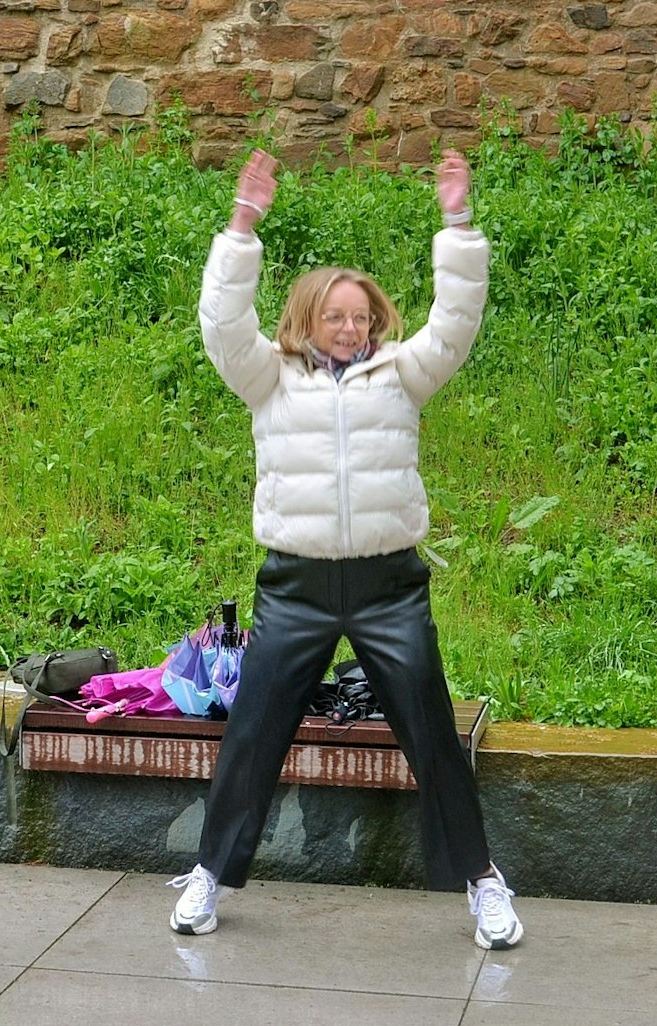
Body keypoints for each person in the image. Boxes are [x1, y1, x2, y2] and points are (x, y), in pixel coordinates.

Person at [169, 149, 524, 949]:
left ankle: (483, 882)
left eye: (362, 316)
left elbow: (458, 321)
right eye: (336, 315)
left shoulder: (403, 374)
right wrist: (242, 224)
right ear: (306, 320)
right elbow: (222, 322)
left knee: (431, 730)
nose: (351, 327)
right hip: (293, 586)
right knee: (254, 731)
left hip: (387, 585)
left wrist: (458, 224)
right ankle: (209, 877)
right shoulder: (268, 376)